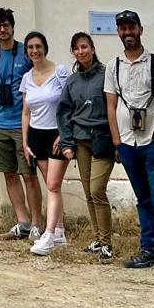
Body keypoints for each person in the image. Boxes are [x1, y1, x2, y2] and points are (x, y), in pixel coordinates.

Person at [104, 10, 154, 279]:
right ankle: (149, 249)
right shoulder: (113, 66)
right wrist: (116, 141)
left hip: (152, 141)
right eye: (123, 28)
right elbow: (111, 106)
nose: (128, 33)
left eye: (131, 27)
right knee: (143, 199)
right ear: (118, 32)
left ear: (140, 29)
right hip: (127, 141)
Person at [55, 32, 114, 260]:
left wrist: (117, 143)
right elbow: (64, 113)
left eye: (84, 47)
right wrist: (67, 142)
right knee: (88, 193)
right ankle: (98, 240)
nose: (81, 52)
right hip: (81, 143)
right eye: (77, 48)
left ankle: (107, 243)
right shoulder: (72, 81)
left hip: (103, 141)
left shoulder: (107, 74)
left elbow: (114, 108)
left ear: (92, 47)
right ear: (73, 52)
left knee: (97, 190)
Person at [0, 7, 38, 240]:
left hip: (22, 124)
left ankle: (37, 224)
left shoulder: (25, 54)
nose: (3, 29)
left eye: (6, 25)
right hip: (0, 123)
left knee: (29, 175)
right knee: (9, 174)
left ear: (13, 27)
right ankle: (22, 221)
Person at [18, 30, 70, 249]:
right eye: (30, 47)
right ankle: (59, 232)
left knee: (52, 184)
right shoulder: (26, 78)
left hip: (57, 134)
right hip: (37, 136)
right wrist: (25, 142)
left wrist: (65, 134)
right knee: (51, 186)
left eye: (38, 46)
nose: (34, 51)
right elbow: (26, 113)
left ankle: (49, 235)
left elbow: (70, 104)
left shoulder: (60, 72)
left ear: (45, 48)